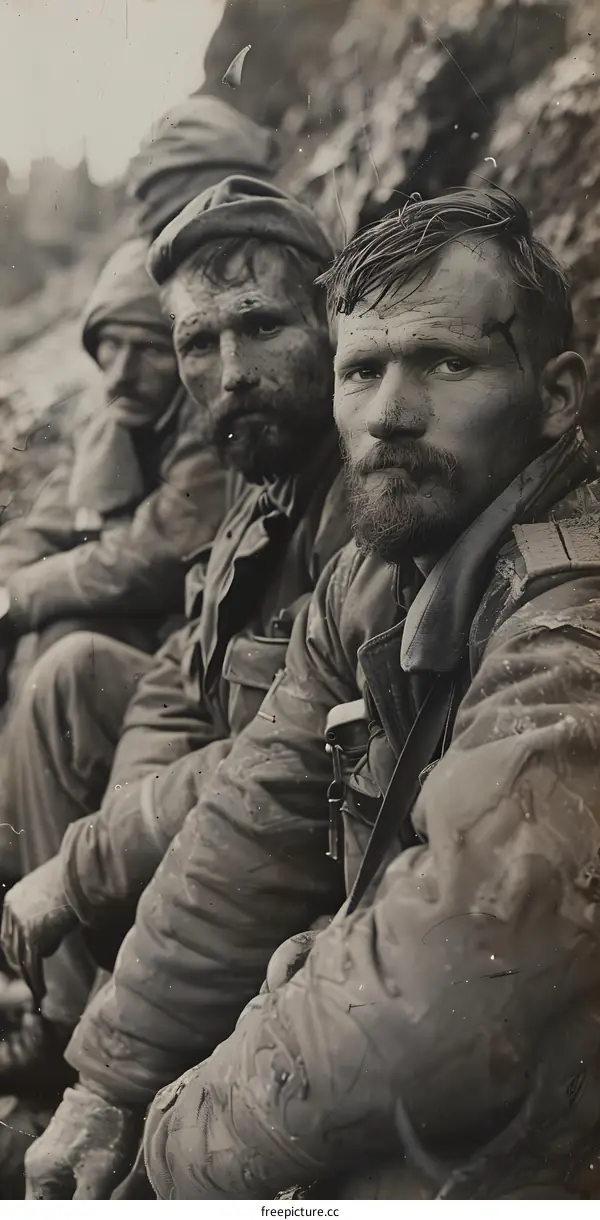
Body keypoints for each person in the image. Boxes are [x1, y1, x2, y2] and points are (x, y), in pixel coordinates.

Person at [20, 184, 600, 1200]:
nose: (389, 411)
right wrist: (107, 1080)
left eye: (446, 362)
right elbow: (252, 813)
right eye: (363, 368)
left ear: (556, 394)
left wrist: (166, 1133)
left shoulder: (569, 621)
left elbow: (454, 983)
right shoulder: (382, 568)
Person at [0, 177, 349, 1105]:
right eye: (198, 340)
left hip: (312, 853)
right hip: (228, 797)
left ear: (331, 318)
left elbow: (294, 761)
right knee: (70, 673)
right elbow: (178, 672)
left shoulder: (363, 492)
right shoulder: (259, 465)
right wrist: (120, 823)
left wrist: (98, 858)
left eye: (261, 325)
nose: (229, 370)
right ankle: (72, 1019)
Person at [0, 236, 227, 697]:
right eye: (110, 346)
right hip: (124, 634)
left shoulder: (208, 423)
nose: (121, 372)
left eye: (148, 348)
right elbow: (42, 527)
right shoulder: (108, 422)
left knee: (65, 643)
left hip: (183, 654)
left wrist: (24, 594)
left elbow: (152, 555)